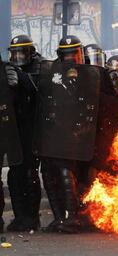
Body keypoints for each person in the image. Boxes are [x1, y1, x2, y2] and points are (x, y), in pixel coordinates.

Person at [40, 35, 86, 233]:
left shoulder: (89, 73)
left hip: (76, 131)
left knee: (66, 171)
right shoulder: (53, 72)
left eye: (73, 54)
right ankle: (59, 218)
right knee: (48, 172)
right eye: (66, 54)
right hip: (53, 131)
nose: (70, 59)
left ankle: (72, 218)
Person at [5, 35, 43, 232]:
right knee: (14, 174)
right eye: (14, 53)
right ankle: (20, 217)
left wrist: (21, 77)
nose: (18, 56)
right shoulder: (8, 70)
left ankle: (32, 217)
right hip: (14, 129)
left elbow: (40, 91)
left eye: (22, 52)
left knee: (30, 173)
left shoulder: (40, 67)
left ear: (30, 51)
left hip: (32, 129)